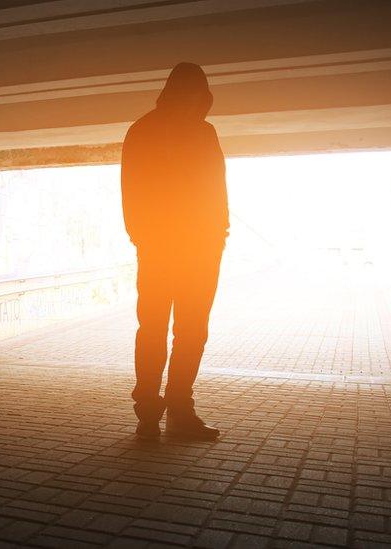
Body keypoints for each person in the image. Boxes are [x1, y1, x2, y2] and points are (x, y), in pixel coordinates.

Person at [120, 62, 229, 441]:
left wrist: (144, 239)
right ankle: (176, 412)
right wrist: (217, 238)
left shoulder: (143, 130)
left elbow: (130, 194)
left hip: (171, 251)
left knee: (160, 330)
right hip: (186, 251)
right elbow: (217, 193)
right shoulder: (197, 132)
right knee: (187, 332)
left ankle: (154, 413)